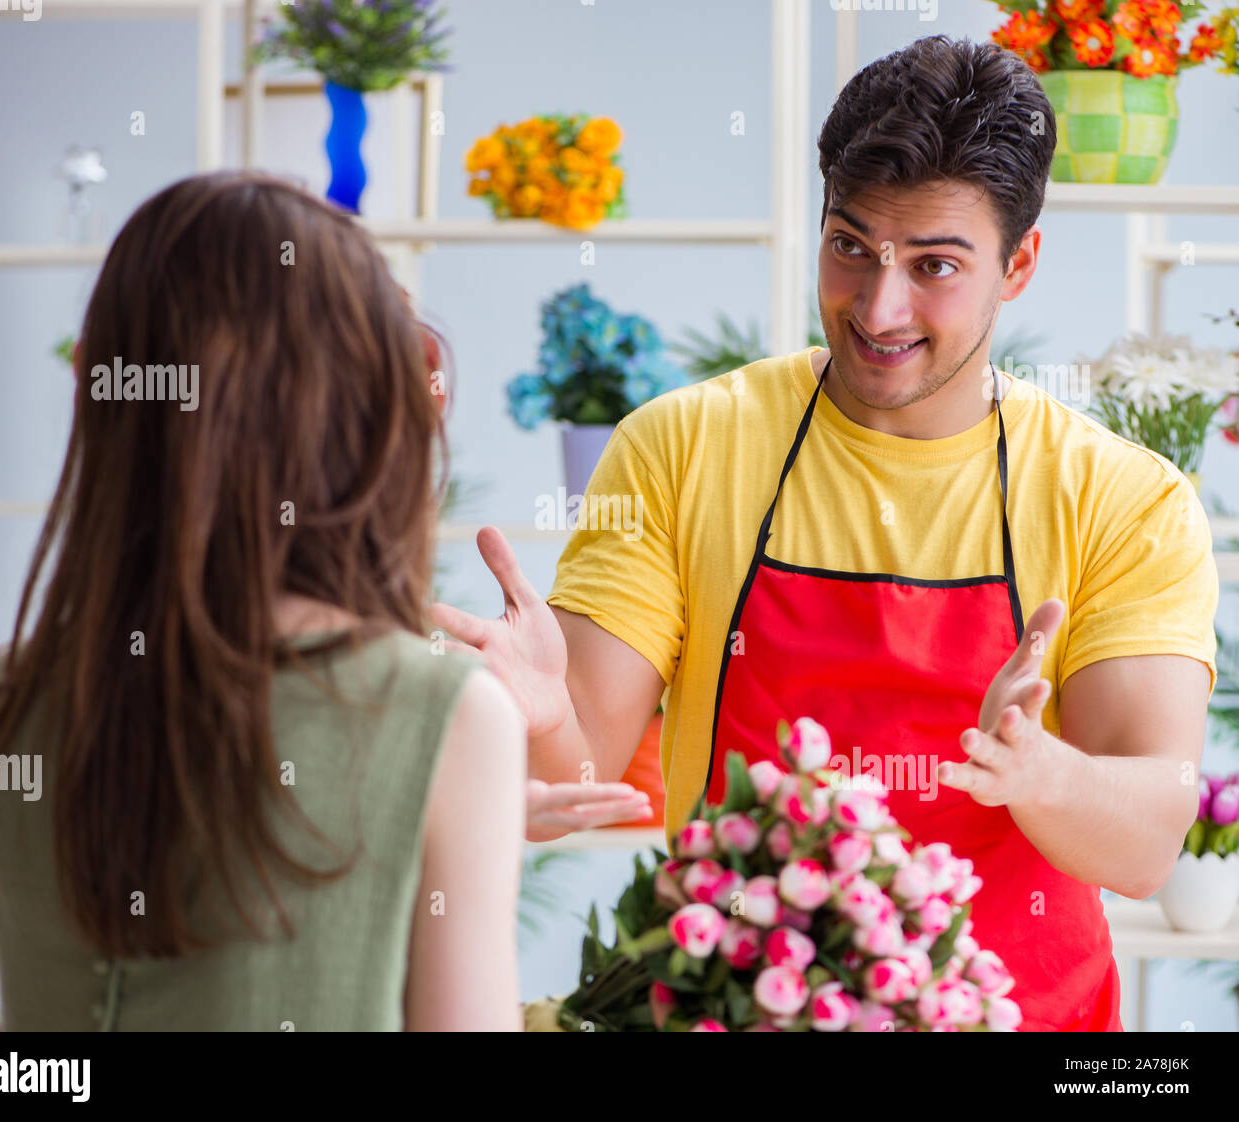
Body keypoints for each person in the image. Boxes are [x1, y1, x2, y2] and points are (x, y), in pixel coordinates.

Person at [431, 36, 1219, 1032]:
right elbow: (578, 776)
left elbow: (1147, 842)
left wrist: (1040, 771)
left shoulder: (1122, 498)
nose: (879, 307)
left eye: (934, 265)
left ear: (1018, 264)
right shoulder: (683, 447)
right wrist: (540, 720)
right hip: (745, 1008)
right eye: (850, 247)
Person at [0, 171, 645, 1031]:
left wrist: (442, 823)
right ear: (356, 419)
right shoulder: (442, 715)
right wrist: (453, 809)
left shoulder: (0, 700)